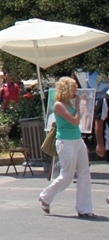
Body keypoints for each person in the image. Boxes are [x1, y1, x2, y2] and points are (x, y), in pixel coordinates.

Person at [39, 77, 94, 217]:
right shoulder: (59, 105)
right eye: (74, 88)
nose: (76, 91)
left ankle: (84, 209)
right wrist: (77, 105)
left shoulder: (70, 104)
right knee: (67, 175)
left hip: (77, 140)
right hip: (66, 141)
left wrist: (76, 106)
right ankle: (45, 196)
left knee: (84, 174)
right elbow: (75, 121)